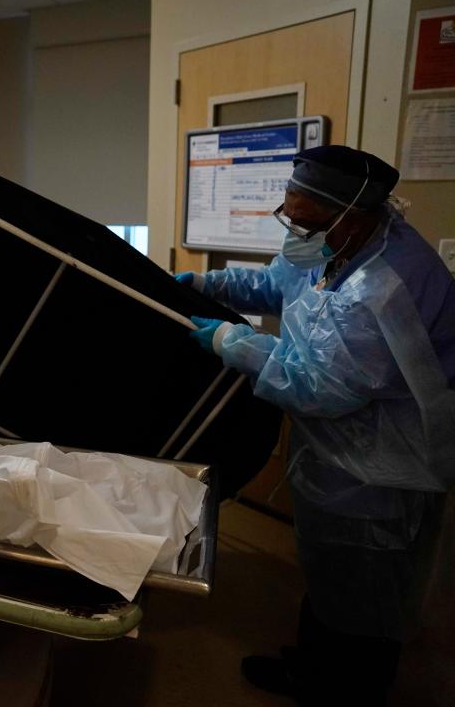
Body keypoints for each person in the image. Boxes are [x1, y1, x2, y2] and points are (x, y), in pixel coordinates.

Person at [176, 145, 455, 705]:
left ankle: (345, 688)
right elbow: (280, 282)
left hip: (377, 471)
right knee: (330, 577)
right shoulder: (341, 243)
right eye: (288, 215)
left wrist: (234, 342)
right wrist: (210, 285)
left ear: (350, 215)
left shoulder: (381, 290)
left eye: (304, 222)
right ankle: (312, 666)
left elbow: (319, 389)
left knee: (363, 595)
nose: (293, 229)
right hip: (339, 456)